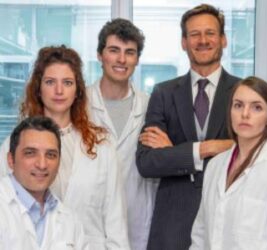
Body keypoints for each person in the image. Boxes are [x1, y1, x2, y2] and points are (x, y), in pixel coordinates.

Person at [0, 45, 130, 249]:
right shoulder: (14, 144)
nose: (59, 91)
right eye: (50, 82)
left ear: (78, 90)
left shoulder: (101, 144)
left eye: (67, 82)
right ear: (38, 88)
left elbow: (116, 222)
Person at [136, 4, 240, 250]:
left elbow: (251, 154)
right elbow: (147, 162)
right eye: (194, 34)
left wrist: (176, 153)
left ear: (223, 39)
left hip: (228, 220)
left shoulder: (242, 92)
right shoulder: (163, 93)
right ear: (184, 42)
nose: (202, 40)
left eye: (210, 33)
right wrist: (208, 148)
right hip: (174, 224)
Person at [190, 76, 267, 250]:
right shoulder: (215, 166)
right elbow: (200, 235)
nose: (245, 114)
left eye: (257, 107)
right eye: (238, 105)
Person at [87, 18, 158, 250]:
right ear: (100, 55)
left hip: (137, 221)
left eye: (130, 52)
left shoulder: (151, 106)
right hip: (90, 222)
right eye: (114, 50)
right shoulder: (80, 104)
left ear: (137, 59)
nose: (121, 59)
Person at [0, 116, 88, 250]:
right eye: (30, 153)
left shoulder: (70, 221)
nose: (42, 164)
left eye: (51, 155)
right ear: (11, 160)